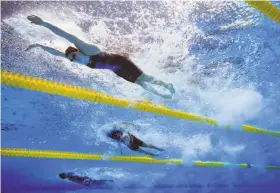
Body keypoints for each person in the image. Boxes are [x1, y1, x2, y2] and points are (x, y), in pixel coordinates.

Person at [25, 15, 175, 99]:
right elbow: (57, 53)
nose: (74, 60)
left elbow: (64, 34)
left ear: (78, 51)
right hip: (117, 70)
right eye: (71, 59)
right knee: (140, 84)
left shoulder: (87, 50)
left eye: (74, 56)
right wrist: (40, 46)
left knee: (145, 78)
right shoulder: (80, 61)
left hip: (122, 62)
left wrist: (44, 23)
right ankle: (162, 94)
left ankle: (168, 85)